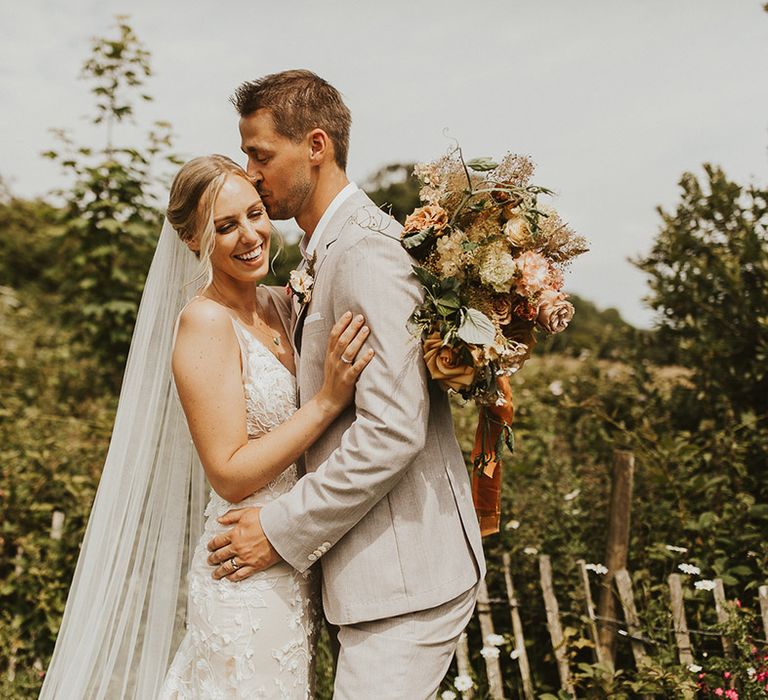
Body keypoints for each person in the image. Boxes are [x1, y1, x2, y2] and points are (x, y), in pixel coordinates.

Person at [40, 155, 372, 699]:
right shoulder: (204, 321)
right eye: (226, 226)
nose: (250, 235)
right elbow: (228, 472)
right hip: (244, 569)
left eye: (256, 214)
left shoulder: (280, 306)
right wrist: (328, 400)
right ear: (195, 242)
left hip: (293, 557)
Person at [206, 70, 486, 699]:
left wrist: (278, 528)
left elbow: (392, 430)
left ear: (316, 144)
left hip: (406, 579)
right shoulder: (323, 250)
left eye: (261, 154)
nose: (250, 171)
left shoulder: (363, 252)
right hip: (371, 576)